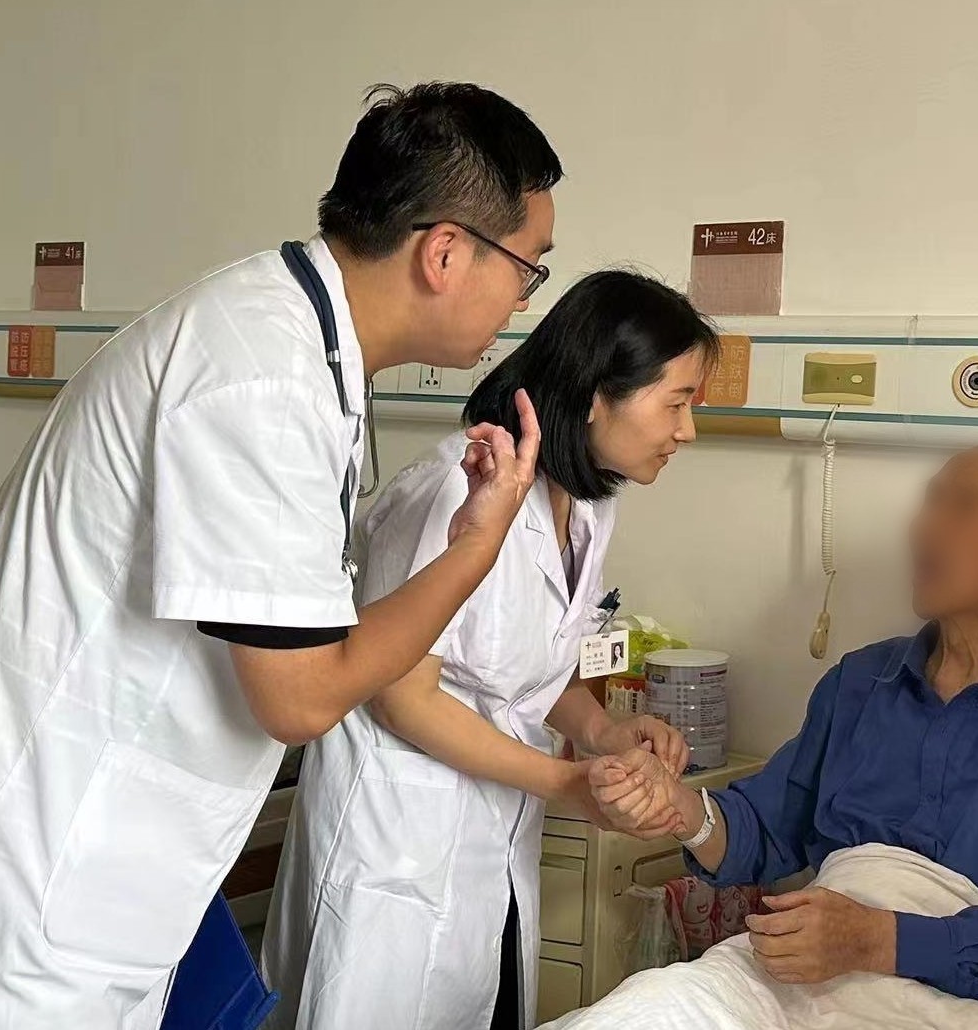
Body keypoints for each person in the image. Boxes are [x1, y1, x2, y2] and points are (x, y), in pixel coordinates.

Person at [0, 82, 562, 1030]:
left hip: (91, 866)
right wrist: (474, 547)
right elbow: (300, 695)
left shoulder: (299, 350)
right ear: (444, 252)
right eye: (528, 268)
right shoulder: (260, 371)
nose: (523, 299)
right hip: (20, 879)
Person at [262, 270, 720, 1030]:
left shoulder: (587, 505)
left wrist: (603, 730)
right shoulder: (456, 487)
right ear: (596, 394)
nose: (687, 431)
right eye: (675, 403)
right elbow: (400, 695)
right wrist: (565, 781)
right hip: (396, 851)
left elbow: (531, 671)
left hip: (495, 857)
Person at [595, 441, 978, 1021]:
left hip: (962, 1007)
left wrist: (874, 940)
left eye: (964, 505)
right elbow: (765, 829)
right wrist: (681, 809)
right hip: (790, 979)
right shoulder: (860, 683)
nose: (925, 525)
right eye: (932, 500)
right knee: (638, 1012)